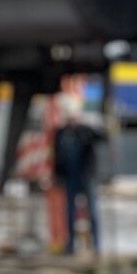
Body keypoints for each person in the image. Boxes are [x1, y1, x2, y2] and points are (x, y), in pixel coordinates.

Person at [52, 93, 106, 254]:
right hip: (70, 177)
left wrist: (97, 126)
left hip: (86, 176)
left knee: (92, 213)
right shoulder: (60, 133)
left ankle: (96, 245)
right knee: (69, 212)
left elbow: (102, 137)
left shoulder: (84, 131)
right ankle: (70, 245)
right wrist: (57, 175)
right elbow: (57, 156)